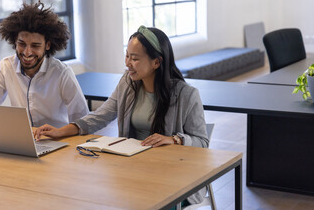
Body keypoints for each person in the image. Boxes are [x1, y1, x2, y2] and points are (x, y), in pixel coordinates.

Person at [34, 25, 209, 205]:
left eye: (134, 58)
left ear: (156, 62)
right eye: (127, 56)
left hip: (173, 176)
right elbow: (102, 115)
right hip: (133, 169)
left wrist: (175, 140)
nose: (127, 63)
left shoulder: (187, 95)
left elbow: (203, 142)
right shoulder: (128, 82)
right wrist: (61, 131)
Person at [0, 1, 89, 128]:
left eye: (35, 45)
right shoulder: (6, 67)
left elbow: (82, 122)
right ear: (15, 41)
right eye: (22, 44)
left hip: (58, 140)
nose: (27, 52)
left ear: (47, 45)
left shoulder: (61, 73)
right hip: (21, 140)